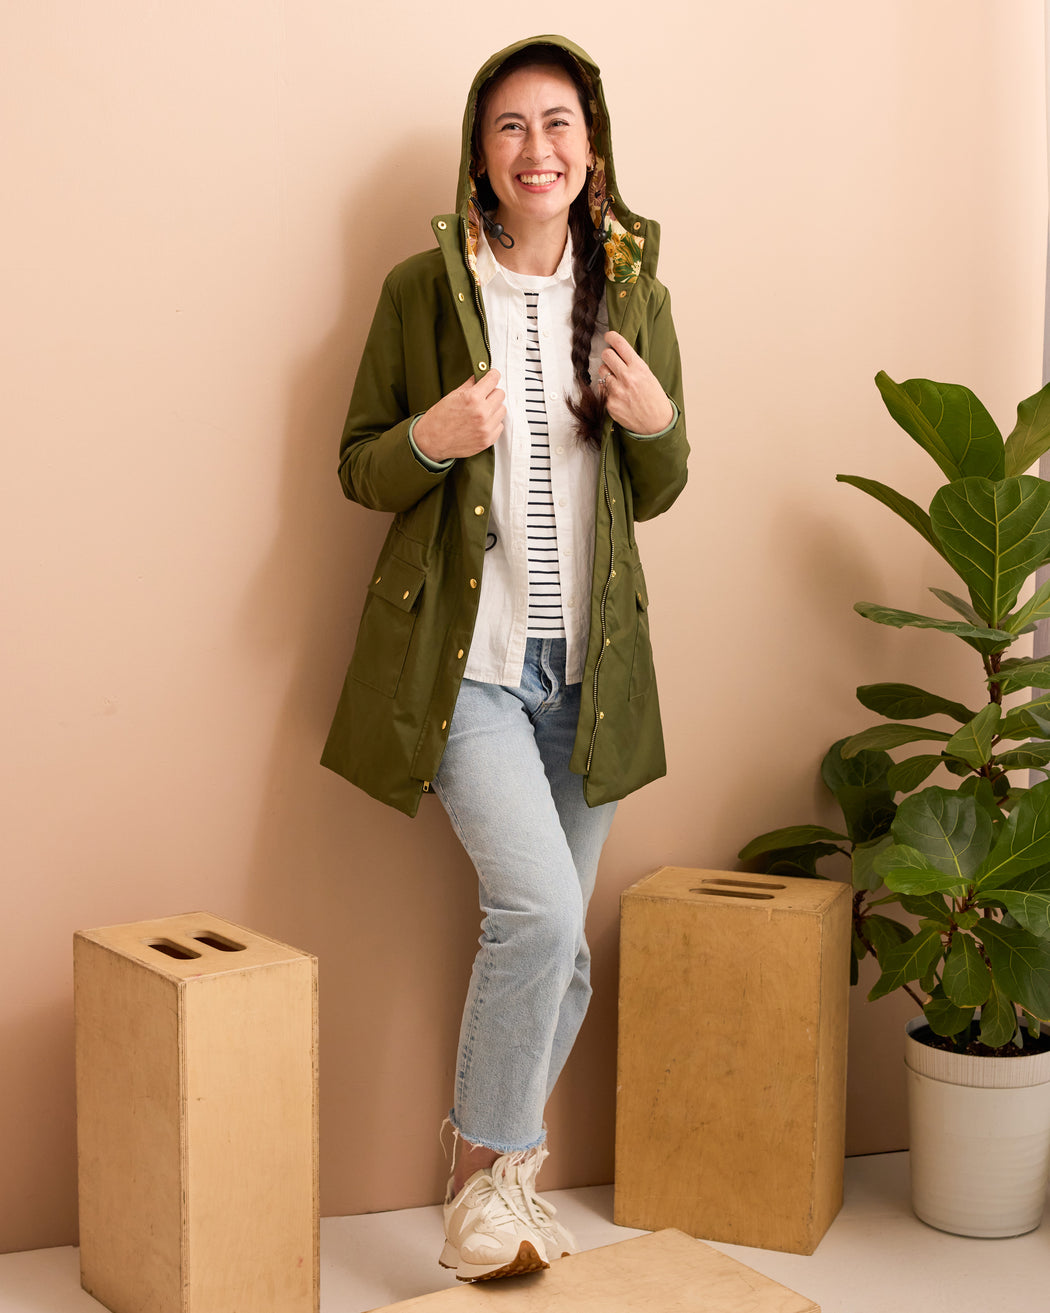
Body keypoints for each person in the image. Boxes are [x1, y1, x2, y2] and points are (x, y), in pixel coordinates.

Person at [322, 35, 688, 1283]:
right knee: (535, 911)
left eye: (560, 123)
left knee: (561, 945)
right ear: (480, 155)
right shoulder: (424, 292)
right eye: (511, 127)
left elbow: (664, 484)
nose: (540, 148)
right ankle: (487, 1183)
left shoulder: (634, 291)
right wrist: (428, 436)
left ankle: (498, 1182)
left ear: (593, 145)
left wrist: (662, 424)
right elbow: (358, 463)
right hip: (468, 670)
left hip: (589, 677)